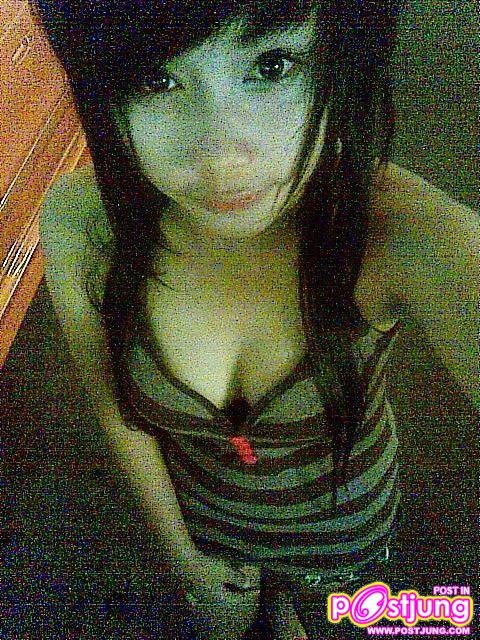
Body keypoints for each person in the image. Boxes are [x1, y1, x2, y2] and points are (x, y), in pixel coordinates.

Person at [34, 0, 479, 638]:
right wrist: (186, 562)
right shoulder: (83, 223)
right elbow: (117, 414)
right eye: (156, 80)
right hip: (203, 523)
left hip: (341, 527)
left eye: (272, 65)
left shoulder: (395, 234)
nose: (220, 158)